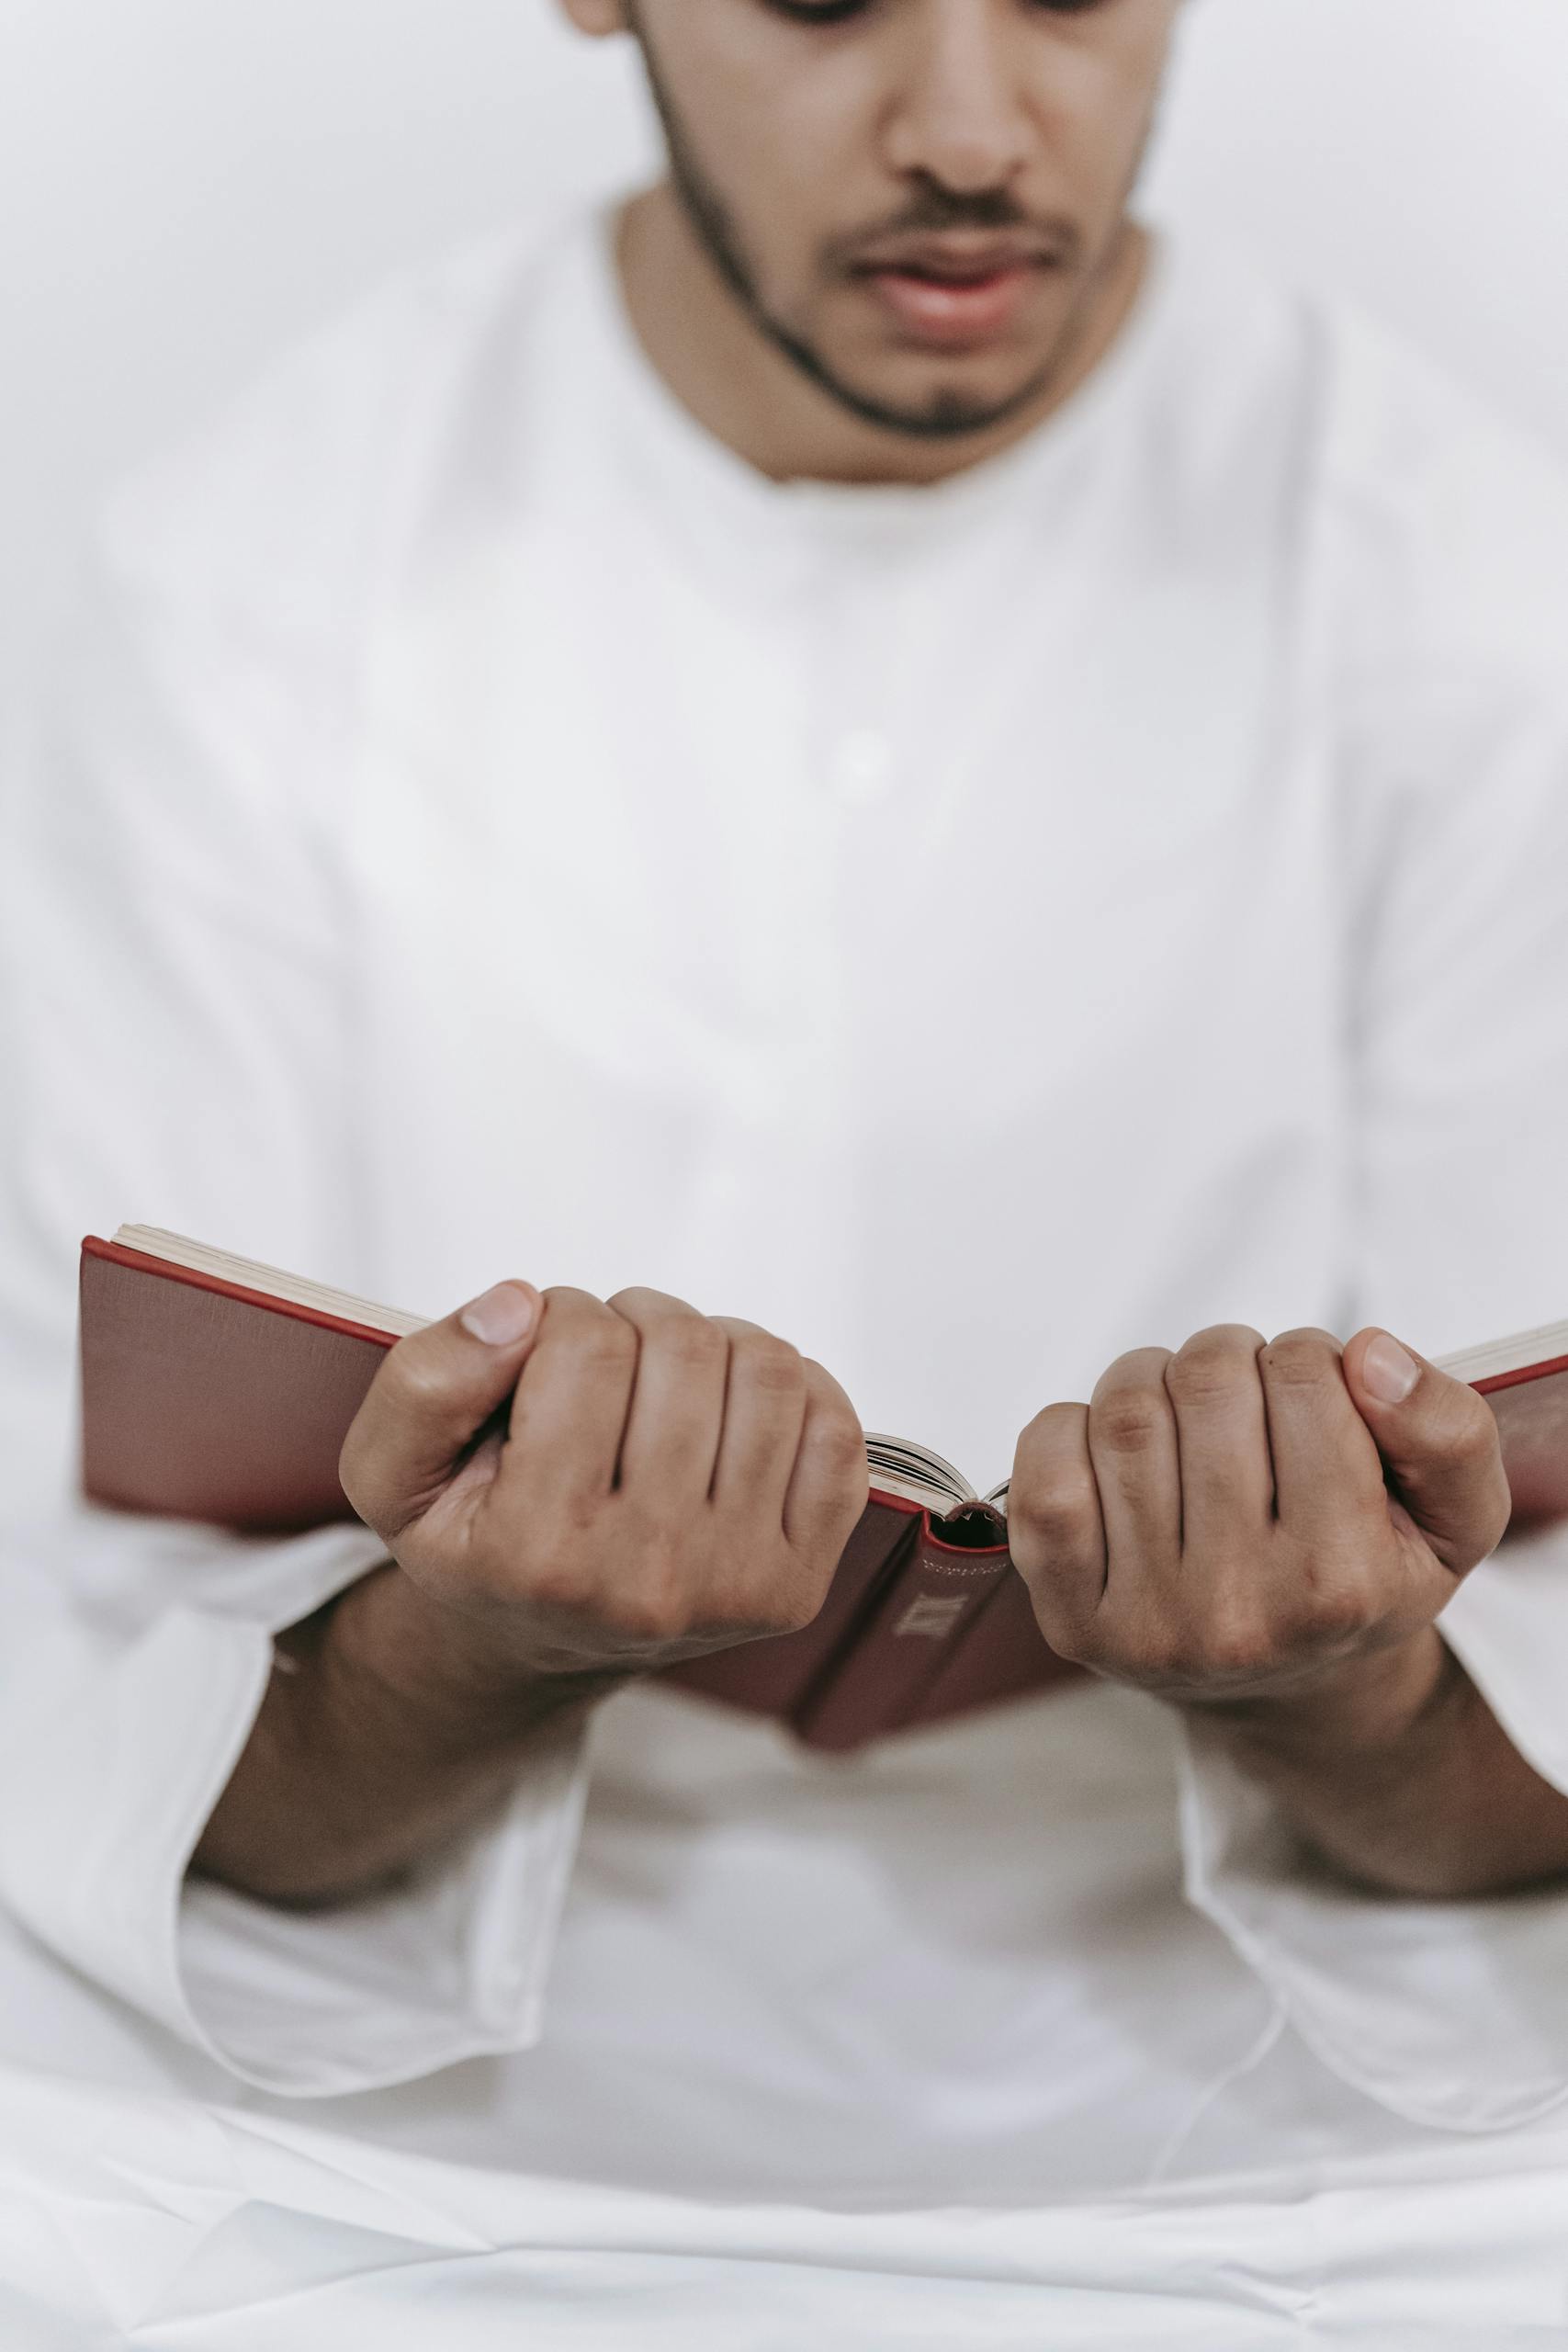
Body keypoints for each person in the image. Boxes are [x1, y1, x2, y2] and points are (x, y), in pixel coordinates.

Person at [4, 1, 1568, 2338]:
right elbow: (83, 1710)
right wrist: (476, 1649)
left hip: (1284, 2096)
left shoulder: (1471, 577)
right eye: (825, 0)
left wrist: (1326, 1690)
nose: (967, 129)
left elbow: (1521, 1788)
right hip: (362, 2123)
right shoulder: (244, 573)